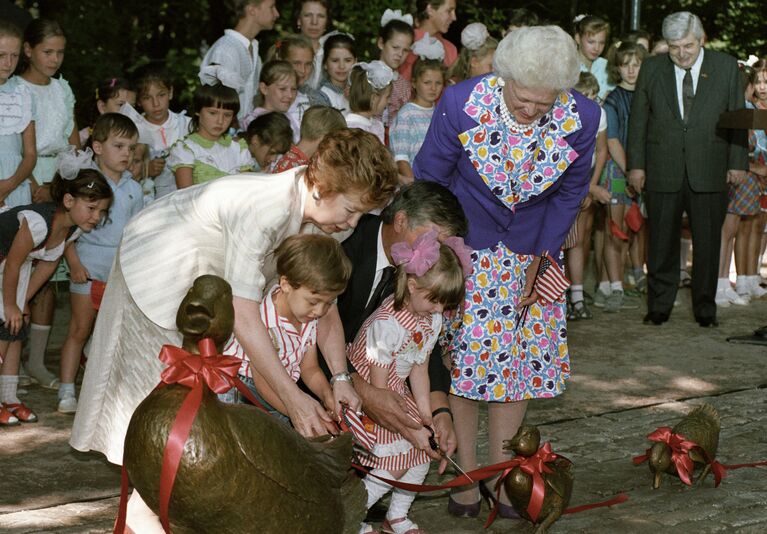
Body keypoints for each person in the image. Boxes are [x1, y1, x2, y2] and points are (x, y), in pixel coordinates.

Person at [70, 128, 398, 469]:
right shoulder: (264, 209)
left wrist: (340, 378)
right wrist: (293, 397)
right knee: (156, 398)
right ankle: (149, 496)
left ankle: (171, 489)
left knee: (195, 403)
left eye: (362, 214)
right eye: (351, 210)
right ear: (319, 188)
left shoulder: (335, 219)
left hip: (212, 278)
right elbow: (243, 313)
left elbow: (324, 299)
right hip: (158, 262)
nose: (354, 223)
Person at [413, 25, 598, 517]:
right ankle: (466, 479)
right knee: (467, 367)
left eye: (544, 102)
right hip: (467, 249)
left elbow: (569, 194)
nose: (532, 110)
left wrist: (540, 258)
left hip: (533, 252)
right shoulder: (460, 104)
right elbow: (430, 176)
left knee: (518, 370)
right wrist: (444, 249)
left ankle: (506, 480)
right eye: (522, 97)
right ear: (504, 76)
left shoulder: (583, 117)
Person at [337, 181, 467, 477]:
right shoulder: (346, 245)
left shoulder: (425, 276)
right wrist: (362, 389)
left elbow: (422, 347)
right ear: (400, 221)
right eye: (432, 241)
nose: (434, 255)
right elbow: (315, 329)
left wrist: (440, 412)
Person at [627, 11, 749, 327]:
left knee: (708, 243)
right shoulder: (652, 68)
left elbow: (737, 117)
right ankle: (659, 306)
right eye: (674, 46)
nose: (681, 53)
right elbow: (638, 119)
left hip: (710, 168)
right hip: (661, 168)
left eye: (688, 46)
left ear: (701, 39)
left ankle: (706, 309)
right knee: (661, 242)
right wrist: (636, 166)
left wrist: (737, 162)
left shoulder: (726, 67)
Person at [350, 232, 466, 534]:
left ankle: (396, 517)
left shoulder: (430, 317)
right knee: (396, 462)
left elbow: (420, 366)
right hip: (373, 393)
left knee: (421, 455)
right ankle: (352, 518)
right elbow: (379, 393)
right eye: (436, 301)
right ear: (413, 286)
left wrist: (426, 417)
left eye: (445, 303)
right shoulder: (387, 325)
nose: (440, 310)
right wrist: (407, 424)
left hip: (397, 389)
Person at [0, 168, 112, 426]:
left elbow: (48, 264)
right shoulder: (38, 222)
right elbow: (15, 263)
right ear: (69, 201)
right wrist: (9, 304)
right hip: (6, 265)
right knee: (4, 325)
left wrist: (22, 301)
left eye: (102, 211)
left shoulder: (71, 230)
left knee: (15, 329)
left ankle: (9, 397)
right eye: (92, 208)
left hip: (12, 270)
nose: (97, 217)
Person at [58, 116, 143, 414]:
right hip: (88, 266)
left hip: (119, 271)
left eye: (131, 148)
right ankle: (66, 389)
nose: (126, 154)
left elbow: (135, 232)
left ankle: (105, 391)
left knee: (111, 334)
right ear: (97, 147)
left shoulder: (134, 188)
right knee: (79, 329)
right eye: (118, 146)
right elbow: (65, 230)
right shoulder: (86, 182)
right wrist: (73, 262)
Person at [223, 234, 351, 424]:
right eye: (314, 302)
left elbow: (310, 368)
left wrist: (327, 396)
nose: (320, 311)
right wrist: (295, 410)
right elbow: (262, 380)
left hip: (280, 392)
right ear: (285, 284)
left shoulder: (308, 317)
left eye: (328, 303)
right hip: (245, 390)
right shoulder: (264, 321)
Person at [17, 18, 79, 390]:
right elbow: (11, 145)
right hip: (24, 177)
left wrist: (61, 186)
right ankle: (11, 358)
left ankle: (37, 362)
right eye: (47, 51)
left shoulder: (63, 89)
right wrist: (33, 183)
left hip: (60, 180)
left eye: (59, 52)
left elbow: (72, 141)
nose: (54, 59)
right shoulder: (14, 91)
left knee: (48, 276)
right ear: (28, 50)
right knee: (18, 267)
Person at [600, 41, 649, 314]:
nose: (631, 70)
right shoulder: (613, 99)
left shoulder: (648, 96)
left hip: (641, 171)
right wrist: (631, 172)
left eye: (637, 64)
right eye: (625, 64)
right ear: (617, 67)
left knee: (636, 228)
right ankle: (615, 288)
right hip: (618, 172)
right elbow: (613, 140)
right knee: (614, 230)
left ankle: (635, 278)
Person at [566, 72, 611, 319]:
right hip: (567, 185)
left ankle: (578, 296)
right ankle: (555, 296)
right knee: (556, 242)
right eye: (585, 96)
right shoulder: (566, 115)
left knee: (578, 240)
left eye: (594, 96)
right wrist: (588, 188)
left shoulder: (598, 114)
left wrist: (591, 186)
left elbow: (602, 151)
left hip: (586, 182)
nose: (590, 100)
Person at [199, 0, 279, 121]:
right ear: (252, 9)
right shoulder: (226, 50)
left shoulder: (255, 54)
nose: (277, 14)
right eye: (272, 7)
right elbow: (218, 104)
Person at [119, 65, 191, 198]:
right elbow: (119, 172)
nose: (156, 103)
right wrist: (146, 170)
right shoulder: (132, 130)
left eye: (161, 95)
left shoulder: (188, 125)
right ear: (139, 101)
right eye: (147, 98)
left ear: (170, 92)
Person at [169, 83, 253, 188]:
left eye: (227, 115)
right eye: (213, 113)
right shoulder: (186, 149)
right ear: (197, 110)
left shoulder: (238, 148)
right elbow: (186, 195)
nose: (220, 121)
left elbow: (247, 190)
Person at [0, 21, 36, 209]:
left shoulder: (23, 94)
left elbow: (30, 154)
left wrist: (10, 184)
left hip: (15, 182)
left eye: (14, 56)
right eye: (1, 55)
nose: (8, 63)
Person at [390, 57, 444, 181]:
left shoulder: (440, 113)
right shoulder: (406, 114)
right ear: (414, 83)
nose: (433, 88)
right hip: (416, 185)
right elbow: (401, 157)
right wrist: (414, 187)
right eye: (427, 82)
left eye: (438, 83)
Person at [268, 34, 331, 130]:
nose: (303, 70)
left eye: (308, 64)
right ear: (281, 61)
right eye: (297, 63)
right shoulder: (267, 95)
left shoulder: (318, 100)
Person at [271, 105, 346, 173]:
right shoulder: (292, 169)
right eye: (336, 142)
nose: (336, 148)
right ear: (325, 138)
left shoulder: (300, 161)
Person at [399, 0, 457, 82]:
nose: (454, 17)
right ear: (430, 10)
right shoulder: (404, 43)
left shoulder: (450, 49)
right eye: (449, 11)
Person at [240, 60, 300, 134]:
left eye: (293, 89)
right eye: (282, 89)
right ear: (264, 89)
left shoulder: (290, 119)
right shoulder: (254, 122)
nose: (290, 95)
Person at [378, 10, 415, 124]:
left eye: (405, 50)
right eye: (395, 47)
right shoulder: (364, 74)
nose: (400, 54)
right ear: (381, 43)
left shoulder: (405, 87)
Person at [346, 61, 394, 144]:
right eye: (387, 97)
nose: (390, 101)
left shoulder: (377, 125)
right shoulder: (350, 128)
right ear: (374, 98)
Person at [78, 77, 135, 146]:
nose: (129, 111)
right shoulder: (82, 138)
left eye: (132, 107)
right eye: (121, 105)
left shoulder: (137, 136)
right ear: (102, 107)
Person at [573, 14, 612, 103]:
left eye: (602, 43)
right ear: (578, 38)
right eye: (591, 42)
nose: (597, 48)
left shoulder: (607, 66)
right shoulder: (568, 66)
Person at [294, 0, 331, 90]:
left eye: (321, 16)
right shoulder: (285, 49)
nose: (314, 22)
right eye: (308, 15)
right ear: (299, 20)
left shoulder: (333, 52)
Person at [318, 33, 355, 113]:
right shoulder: (321, 96)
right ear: (325, 64)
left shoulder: (363, 89)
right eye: (335, 60)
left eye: (348, 60)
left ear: (355, 62)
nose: (341, 66)